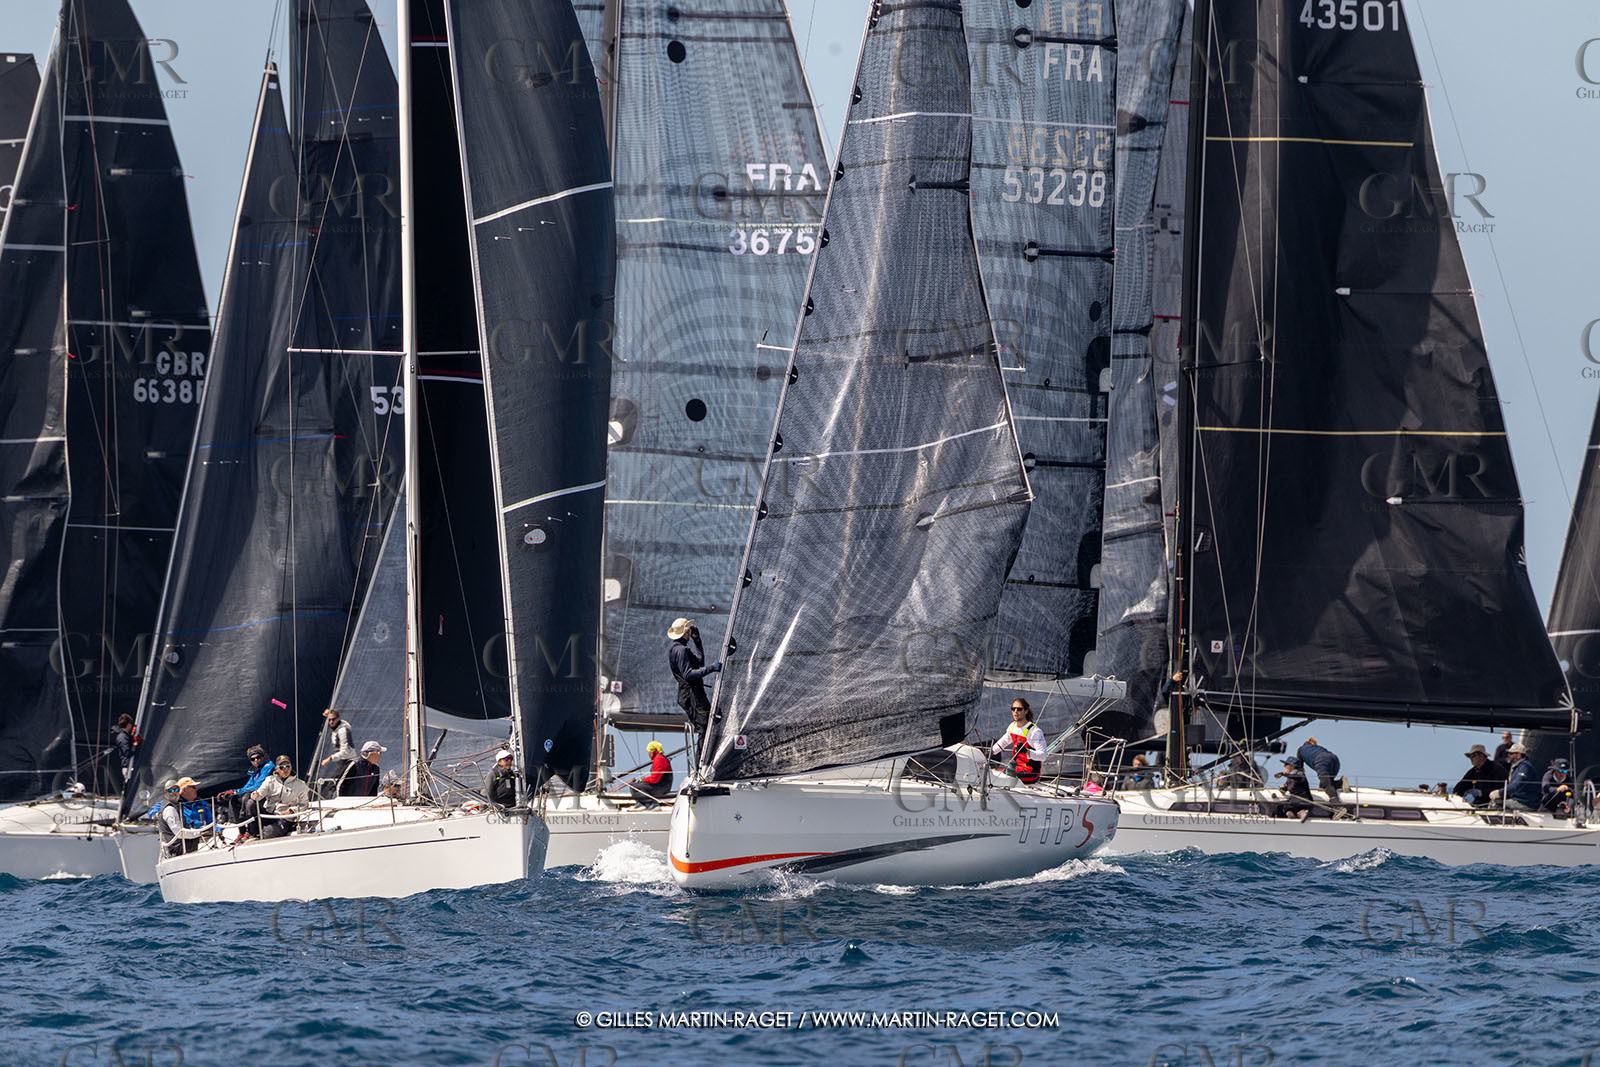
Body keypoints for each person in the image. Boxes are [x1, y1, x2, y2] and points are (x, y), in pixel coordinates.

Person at [667, 617, 721, 734]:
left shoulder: (682, 648)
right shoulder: (680, 650)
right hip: (692, 696)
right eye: (689, 630)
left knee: (712, 723)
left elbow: (699, 662)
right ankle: (702, 753)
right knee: (705, 727)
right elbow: (688, 675)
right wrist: (711, 668)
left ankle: (705, 752)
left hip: (696, 694)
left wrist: (697, 641)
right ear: (686, 632)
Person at [217, 745, 276, 827]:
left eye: (258, 757)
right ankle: (241, 830)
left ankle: (253, 831)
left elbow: (258, 786)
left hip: (267, 800)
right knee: (234, 799)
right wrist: (231, 792)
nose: (256, 760)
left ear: (263, 757)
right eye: (253, 759)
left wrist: (236, 792)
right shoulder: (256, 771)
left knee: (249, 802)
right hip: (258, 798)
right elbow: (246, 787)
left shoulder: (268, 766)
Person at [252, 756, 309, 839]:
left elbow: (305, 804)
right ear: (276, 769)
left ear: (291, 767)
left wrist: (291, 811)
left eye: (287, 766)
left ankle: (260, 837)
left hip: (285, 818)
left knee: (268, 832)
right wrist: (256, 795)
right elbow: (260, 793)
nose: (285, 769)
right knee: (250, 804)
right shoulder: (269, 780)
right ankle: (251, 833)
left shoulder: (300, 784)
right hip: (269, 814)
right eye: (281, 767)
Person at [990, 698, 1045, 784]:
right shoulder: (1012, 726)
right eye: (1013, 709)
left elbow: (1043, 755)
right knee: (991, 773)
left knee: (1003, 777)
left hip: (1030, 772)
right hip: (1015, 768)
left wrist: (1027, 752)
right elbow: (1003, 742)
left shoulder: (1035, 732)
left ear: (1026, 711)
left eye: (1019, 709)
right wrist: (989, 752)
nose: (1015, 711)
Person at [158, 777, 214, 858]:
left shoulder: (178, 806)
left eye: (177, 790)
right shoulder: (169, 809)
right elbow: (179, 833)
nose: (174, 793)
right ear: (165, 792)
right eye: (171, 790)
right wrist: (200, 832)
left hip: (187, 844)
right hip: (179, 848)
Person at [318, 708, 358, 795]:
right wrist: (330, 713)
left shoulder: (342, 731)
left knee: (334, 785)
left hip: (348, 762)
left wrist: (329, 758)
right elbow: (345, 723)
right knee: (337, 784)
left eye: (333, 719)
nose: (331, 722)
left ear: (338, 719)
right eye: (329, 720)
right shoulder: (339, 727)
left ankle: (334, 802)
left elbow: (346, 751)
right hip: (343, 763)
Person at [1491, 742, 1540, 812]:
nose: (1508, 755)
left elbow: (1516, 785)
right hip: (1520, 800)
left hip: (1526, 803)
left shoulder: (1525, 767)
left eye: (1511, 753)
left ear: (1518, 755)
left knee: (1496, 805)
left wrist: (1499, 792)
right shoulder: (1519, 766)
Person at [1297, 737, 1342, 807]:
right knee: (1325, 784)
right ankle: (1340, 783)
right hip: (1334, 759)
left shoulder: (1301, 749)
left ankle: (1336, 804)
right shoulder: (1317, 747)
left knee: (1326, 784)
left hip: (1321, 760)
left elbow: (1298, 769)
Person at [629, 741, 674, 807]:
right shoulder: (660, 758)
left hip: (662, 787)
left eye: (649, 752)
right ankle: (641, 802)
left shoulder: (659, 759)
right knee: (638, 785)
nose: (648, 754)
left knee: (633, 787)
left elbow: (654, 779)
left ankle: (652, 803)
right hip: (661, 786)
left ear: (653, 751)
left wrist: (643, 780)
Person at [111, 714, 139, 781]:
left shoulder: (125, 736)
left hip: (130, 765)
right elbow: (127, 753)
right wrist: (135, 745)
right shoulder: (122, 737)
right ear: (128, 724)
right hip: (128, 766)